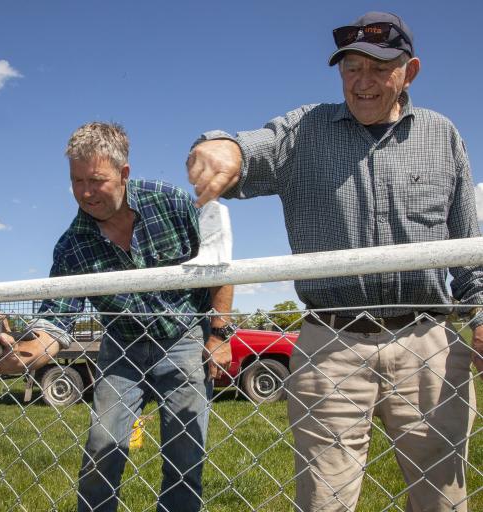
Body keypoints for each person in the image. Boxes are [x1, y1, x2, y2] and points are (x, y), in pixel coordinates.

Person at [186, 11, 482, 512]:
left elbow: (468, 242)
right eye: (351, 69)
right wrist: (223, 147)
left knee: (443, 498)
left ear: (409, 72)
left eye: (378, 68)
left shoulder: (442, 135)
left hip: (427, 343)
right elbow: (252, 151)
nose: (362, 82)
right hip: (331, 346)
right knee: (324, 501)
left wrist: (480, 311)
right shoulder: (306, 130)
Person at [35, 121, 233, 512]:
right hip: (121, 349)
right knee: (100, 450)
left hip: (182, 340)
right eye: (77, 181)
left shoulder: (173, 203)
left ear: (124, 174)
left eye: (96, 180)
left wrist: (219, 334)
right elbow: (58, 313)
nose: (86, 193)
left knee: (185, 457)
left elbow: (219, 264)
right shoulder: (72, 245)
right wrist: (28, 348)